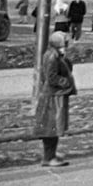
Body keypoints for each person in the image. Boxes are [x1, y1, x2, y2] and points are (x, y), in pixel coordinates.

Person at [33, 31, 75, 167]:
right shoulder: (52, 57)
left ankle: (51, 155)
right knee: (52, 127)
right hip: (53, 96)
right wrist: (66, 82)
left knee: (53, 127)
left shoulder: (56, 55)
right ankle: (49, 157)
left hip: (55, 95)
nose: (67, 45)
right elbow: (51, 78)